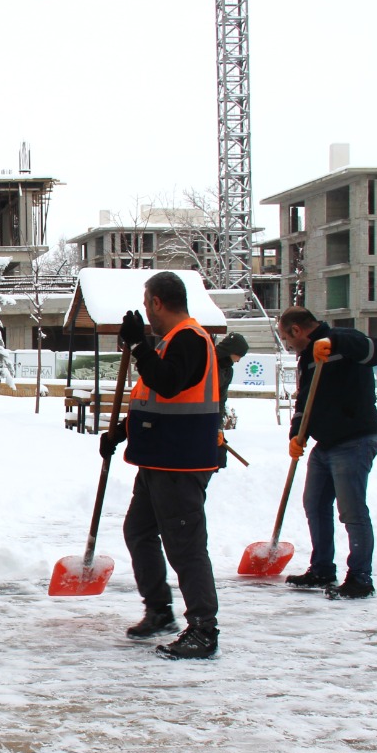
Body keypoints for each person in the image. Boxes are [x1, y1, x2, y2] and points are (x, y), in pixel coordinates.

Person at [97, 271, 223, 659]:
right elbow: (154, 398)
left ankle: (203, 629)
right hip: (158, 460)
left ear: (156, 302)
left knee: (185, 547)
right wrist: (121, 431)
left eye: (146, 303)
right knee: (138, 531)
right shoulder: (171, 342)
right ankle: (159, 610)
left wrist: (139, 345)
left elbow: (168, 383)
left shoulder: (190, 339)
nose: (146, 312)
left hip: (180, 463)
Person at [277, 305, 377, 600]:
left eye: (287, 339)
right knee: (315, 504)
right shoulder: (307, 359)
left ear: (297, 330)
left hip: (355, 439)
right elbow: (304, 400)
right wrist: (296, 434)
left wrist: (334, 342)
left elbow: (376, 352)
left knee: (351, 510)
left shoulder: (343, 339)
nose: (288, 345)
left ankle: (360, 577)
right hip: (325, 444)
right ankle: (322, 568)